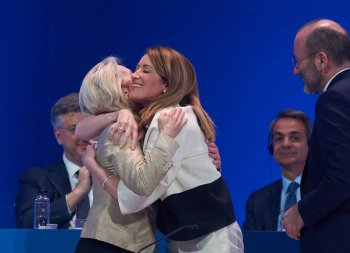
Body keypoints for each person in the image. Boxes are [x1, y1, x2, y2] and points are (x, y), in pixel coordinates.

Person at [76, 46, 243, 253]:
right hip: (122, 241)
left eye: (145, 70)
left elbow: (139, 194)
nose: (136, 75)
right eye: (134, 71)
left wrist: (94, 167)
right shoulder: (125, 126)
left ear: (166, 84)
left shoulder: (170, 120)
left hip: (205, 237)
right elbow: (81, 130)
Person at [283, 19, 350, 253]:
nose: (295, 70)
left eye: (298, 61)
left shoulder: (334, 100)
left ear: (321, 60)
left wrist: (301, 211)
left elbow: (343, 176)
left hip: (344, 240)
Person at [74, 56, 188, 253]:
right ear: (122, 90)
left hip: (125, 241)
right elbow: (142, 183)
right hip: (111, 242)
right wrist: (168, 139)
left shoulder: (136, 122)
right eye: (129, 74)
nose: (136, 75)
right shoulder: (119, 130)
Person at [14, 93, 92, 229]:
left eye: (88, 127)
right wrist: (78, 193)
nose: (84, 136)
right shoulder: (37, 179)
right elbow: (27, 223)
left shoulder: (112, 175)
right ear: (58, 136)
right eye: (74, 129)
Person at [243, 109, 311, 231]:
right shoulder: (258, 201)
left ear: (310, 144)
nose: (285, 144)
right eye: (279, 138)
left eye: (295, 138)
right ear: (271, 146)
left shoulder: (325, 193)